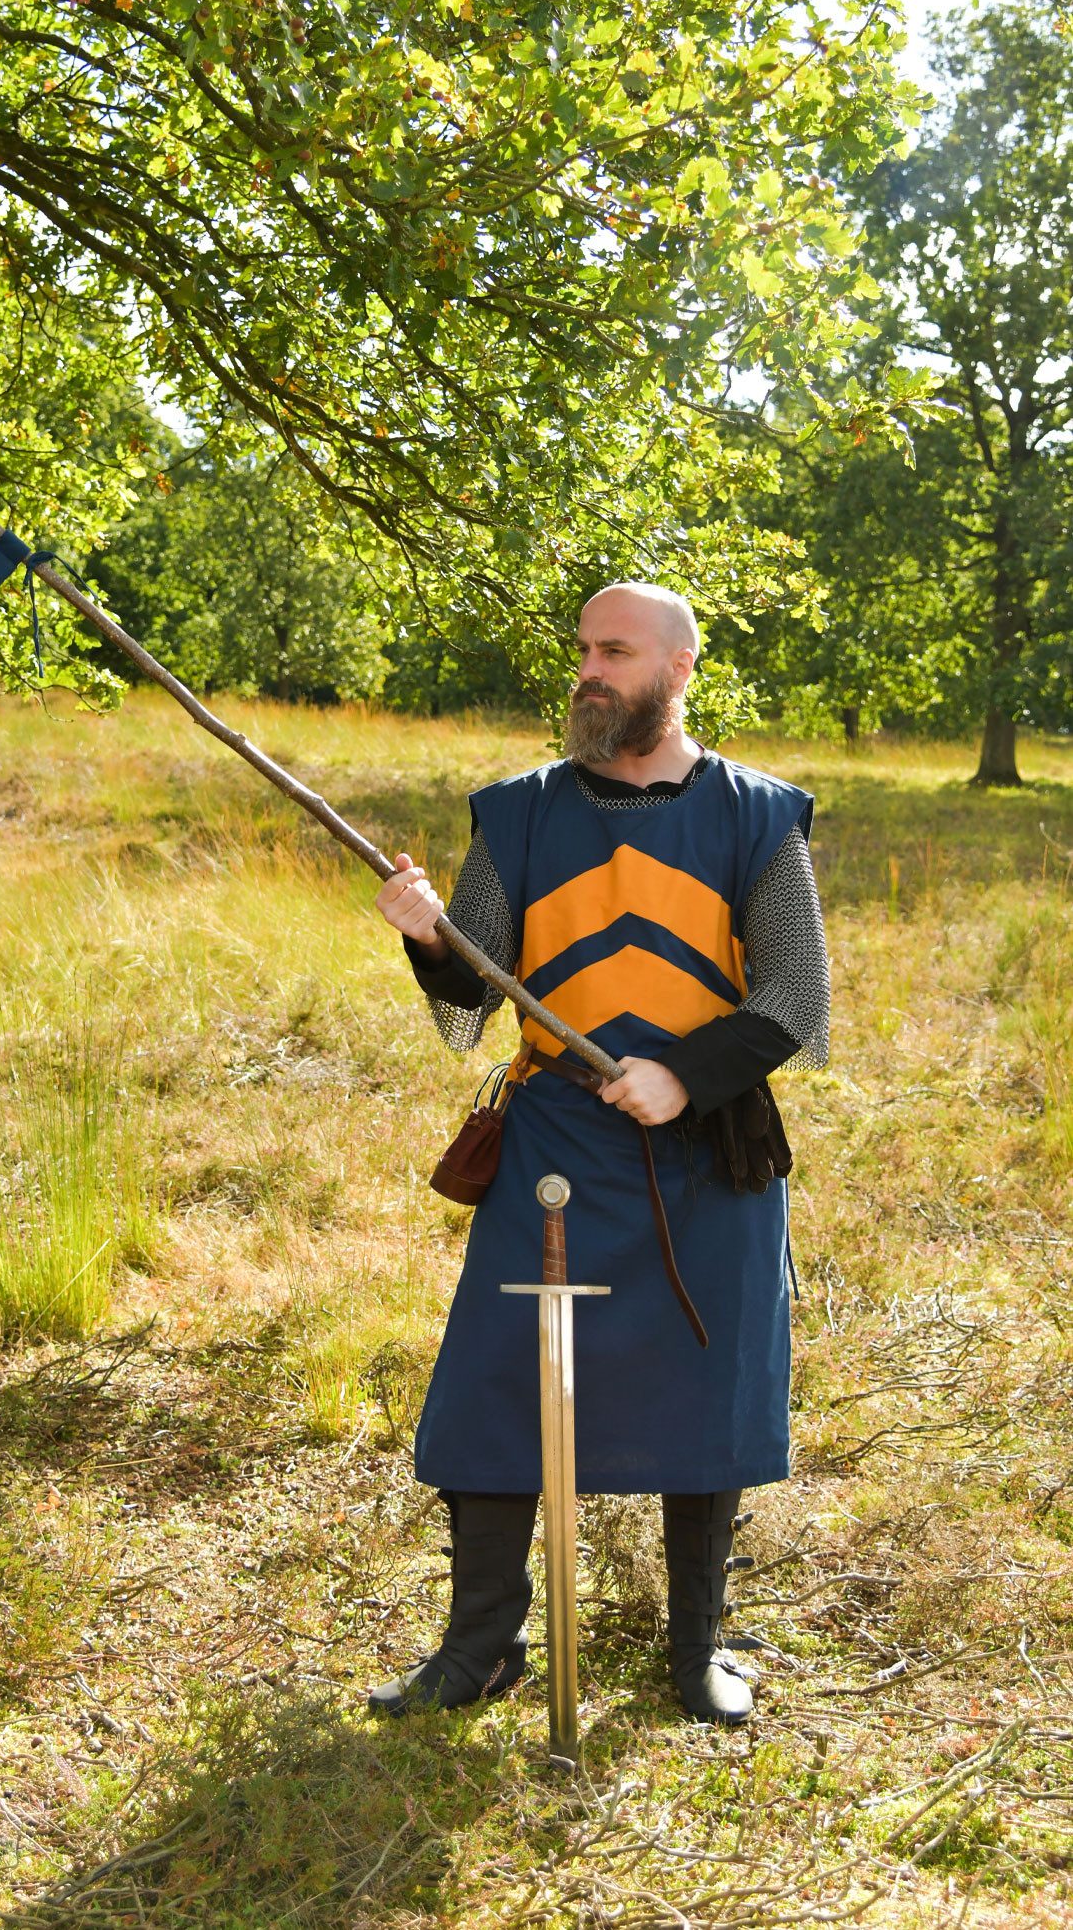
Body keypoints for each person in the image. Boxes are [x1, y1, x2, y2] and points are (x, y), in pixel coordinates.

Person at [369, 583, 829, 1726]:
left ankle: (696, 1650)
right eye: (582, 650)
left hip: (707, 1151)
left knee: (708, 1389)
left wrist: (685, 1073)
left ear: (679, 668)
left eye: (614, 651)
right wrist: (431, 940)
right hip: (554, 1145)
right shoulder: (520, 813)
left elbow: (796, 996)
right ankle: (480, 1647)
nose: (589, 670)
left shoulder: (756, 815)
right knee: (496, 1386)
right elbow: (473, 996)